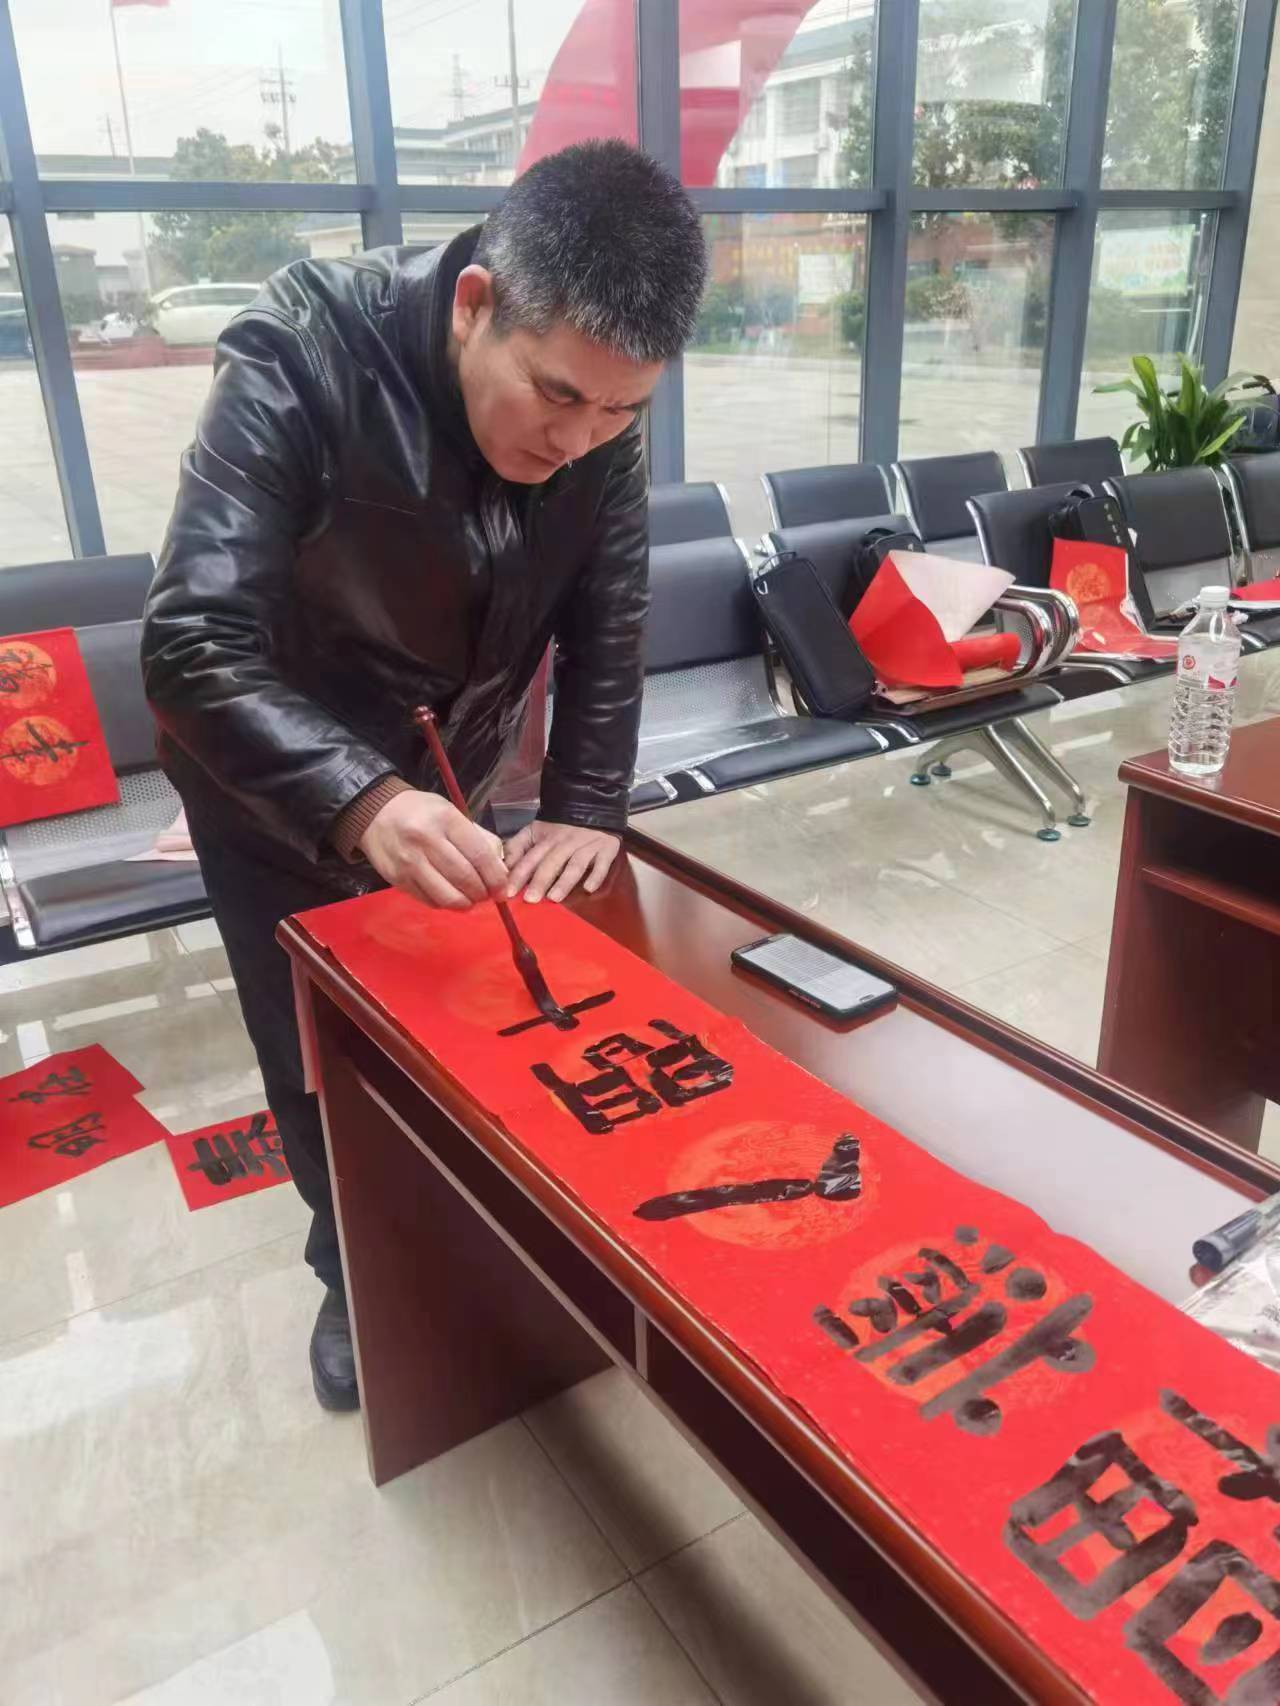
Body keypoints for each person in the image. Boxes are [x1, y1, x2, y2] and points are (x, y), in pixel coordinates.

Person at [141, 141, 706, 1410]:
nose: (580, 439)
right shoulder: (301, 350)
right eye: (556, 397)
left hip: (455, 758)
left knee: (469, 1017)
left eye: (620, 413)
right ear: (473, 305)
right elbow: (188, 643)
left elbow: (607, 610)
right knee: (315, 1049)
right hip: (278, 779)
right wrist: (360, 799)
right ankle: (352, 1265)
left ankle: (476, 1215)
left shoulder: (597, 410)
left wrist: (586, 799)